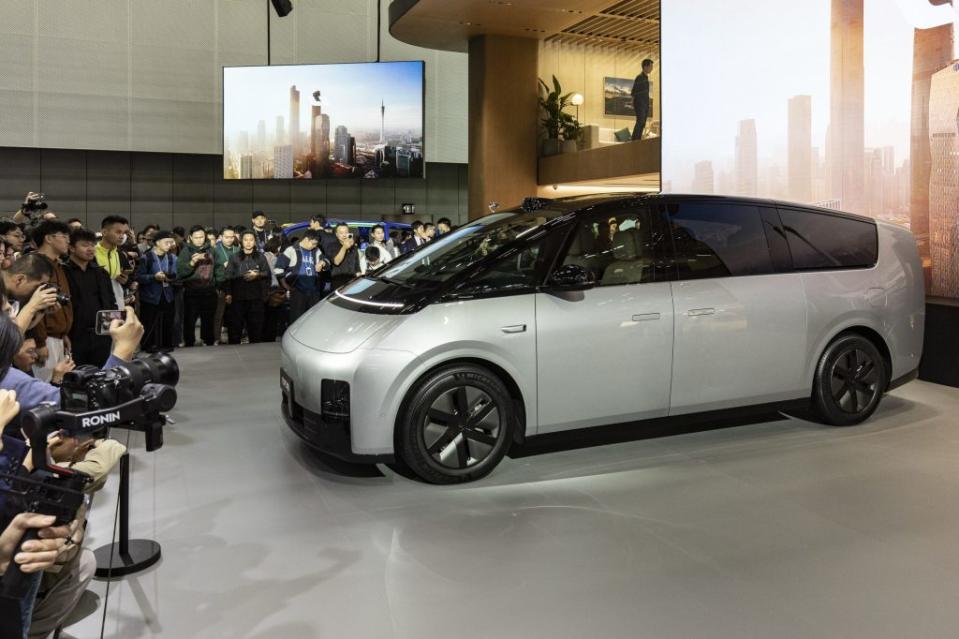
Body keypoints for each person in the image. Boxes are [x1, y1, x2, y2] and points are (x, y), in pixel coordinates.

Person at [0, 307, 144, 433]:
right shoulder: (10, 383)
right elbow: (87, 414)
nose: (14, 317)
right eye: (7, 311)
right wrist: (124, 349)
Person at [29, 220, 73, 382]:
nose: (68, 240)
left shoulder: (58, 265)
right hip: (44, 340)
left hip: (58, 337)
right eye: (64, 236)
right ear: (48, 238)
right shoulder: (35, 264)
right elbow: (34, 306)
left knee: (59, 385)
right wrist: (40, 342)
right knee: (46, 388)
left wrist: (64, 333)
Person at [63, 229, 116, 367]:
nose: (91, 249)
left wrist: (113, 327)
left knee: (100, 373)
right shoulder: (64, 272)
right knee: (76, 375)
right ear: (71, 248)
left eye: (92, 245)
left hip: (101, 334)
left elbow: (111, 302)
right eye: (85, 245)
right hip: (75, 334)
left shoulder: (101, 272)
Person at [224, 231, 271, 344]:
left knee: (255, 328)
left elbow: (267, 274)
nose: (248, 242)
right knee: (235, 328)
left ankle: (255, 351)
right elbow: (228, 277)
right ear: (241, 241)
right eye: (246, 240)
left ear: (255, 242)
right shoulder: (234, 257)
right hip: (238, 297)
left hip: (256, 297)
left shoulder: (260, 257)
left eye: (251, 240)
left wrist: (257, 275)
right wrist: (228, 293)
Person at [136, 230, 178, 353]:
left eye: (171, 242)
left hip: (168, 295)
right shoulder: (146, 257)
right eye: (166, 242)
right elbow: (139, 277)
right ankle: (149, 345)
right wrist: (153, 277)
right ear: (157, 243)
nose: (169, 245)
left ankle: (167, 344)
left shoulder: (172, 258)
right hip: (150, 295)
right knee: (149, 321)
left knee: (168, 320)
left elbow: (177, 276)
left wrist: (168, 277)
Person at [176, 225, 217, 347]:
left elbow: (219, 268)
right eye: (196, 237)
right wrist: (192, 262)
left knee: (208, 318)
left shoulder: (212, 250)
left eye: (201, 237)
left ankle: (208, 340)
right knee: (190, 318)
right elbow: (181, 272)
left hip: (209, 289)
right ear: (190, 238)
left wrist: (217, 283)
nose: (199, 240)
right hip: (191, 290)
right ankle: (189, 341)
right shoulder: (186, 251)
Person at [276, 230, 328, 323]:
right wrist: (286, 286)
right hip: (297, 292)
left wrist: (322, 263)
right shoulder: (291, 250)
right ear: (306, 239)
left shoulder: (316, 251)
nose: (315, 246)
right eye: (313, 243)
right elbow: (278, 268)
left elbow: (326, 261)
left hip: (313, 291)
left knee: (312, 319)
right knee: (296, 320)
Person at [0, 254, 56, 334]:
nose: (37, 292)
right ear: (20, 280)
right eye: (37, 286)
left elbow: (20, 328)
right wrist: (32, 306)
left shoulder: (12, 296)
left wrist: (40, 310)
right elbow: (9, 337)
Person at [95, 215, 132, 310]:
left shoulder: (121, 255)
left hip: (117, 304)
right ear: (104, 232)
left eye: (125, 233)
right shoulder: (92, 253)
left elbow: (129, 280)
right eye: (118, 232)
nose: (122, 236)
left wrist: (126, 280)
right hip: (96, 304)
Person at [212, 226, 239, 344]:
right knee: (219, 314)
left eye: (231, 237)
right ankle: (216, 338)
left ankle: (235, 337)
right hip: (221, 285)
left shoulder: (238, 249)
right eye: (226, 237)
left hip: (236, 285)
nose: (229, 239)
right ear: (221, 237)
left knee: (235, 314)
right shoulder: (215, 250)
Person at [330, 223, 361, 291]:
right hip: (338, 284)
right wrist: (344, 247)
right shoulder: (332, 246)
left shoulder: (354, 247)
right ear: (336, 234)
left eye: (346, 232)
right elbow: (336, 261)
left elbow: (357, 266)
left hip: (352, 283)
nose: (344, 235)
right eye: (341, 233)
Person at [631, 58, 653, 140]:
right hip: (640, 104)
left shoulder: (646, 78)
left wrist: (647, 105)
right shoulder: (639, 77)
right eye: (650, 67)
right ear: (645, 67)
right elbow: (634, 91)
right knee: (640, 122)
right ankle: (634, 141)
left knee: (643, 123)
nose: (651, 69)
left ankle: (638, 140)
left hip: (645, 104)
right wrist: (634, 102)